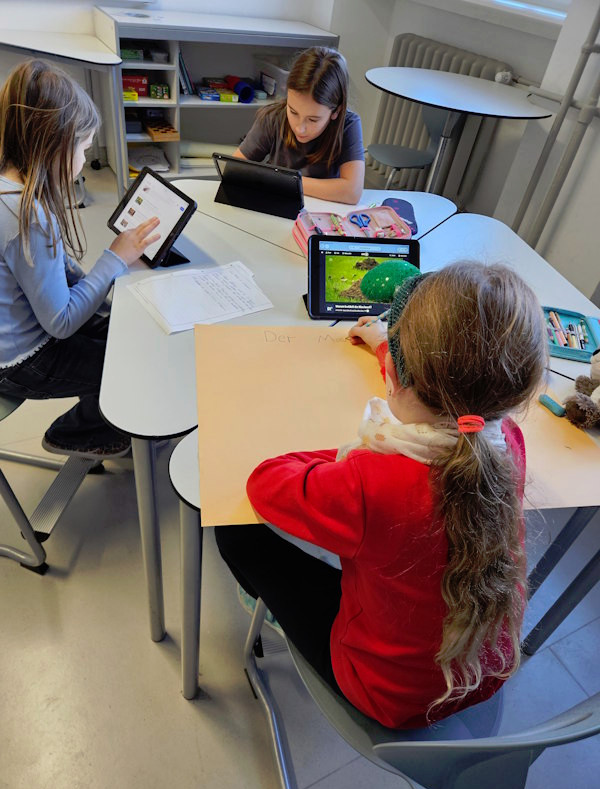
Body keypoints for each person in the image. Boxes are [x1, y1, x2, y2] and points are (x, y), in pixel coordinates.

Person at [216, 262, 547, 729]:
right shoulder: (507, 441)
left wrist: (354, 455)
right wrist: (384, 348)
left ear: (393, 372)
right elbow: (450, 393)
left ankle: (268, 609)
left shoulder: (368, 482)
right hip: (483, 674)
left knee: (235, 532)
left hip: (386, 695)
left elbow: (266, 482)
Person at [0, 59, 160, 457]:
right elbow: (61, 323)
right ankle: (75, 432)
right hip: (21, 362)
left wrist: (105, 280)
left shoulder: (10, 189)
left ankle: (97, 417)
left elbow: (49, 272)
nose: (85, 160)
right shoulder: (27, 216)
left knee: (118, 328)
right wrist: (114, 259)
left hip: (17, 340)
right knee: (132, 363)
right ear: (53, 145)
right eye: (84, 148)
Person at [232, 47, 364, 204]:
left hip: (322, 211)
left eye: (313, 120)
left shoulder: (348, 125)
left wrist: (280, 179)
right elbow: (234, 169)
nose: (299, 128)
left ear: (336, 111)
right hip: (277, 203)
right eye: (293, 112)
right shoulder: (273, 117)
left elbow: (352, 192)